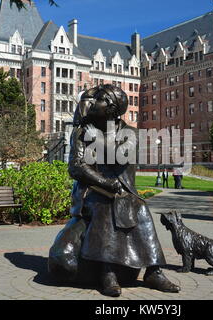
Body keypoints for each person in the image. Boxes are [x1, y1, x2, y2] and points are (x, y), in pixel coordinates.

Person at [50, 85, 180, 297]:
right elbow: (76, 167)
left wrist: (97, 140)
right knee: (105, 203)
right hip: (90, 194)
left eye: (99, 100)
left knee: (141, 209)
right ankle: (108, 273)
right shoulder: (83, 131)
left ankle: (154, 271)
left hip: (124, 192)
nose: (93, 103)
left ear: (111, 108)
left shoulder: (131, 133)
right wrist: (104, 183)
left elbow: (120, 157)